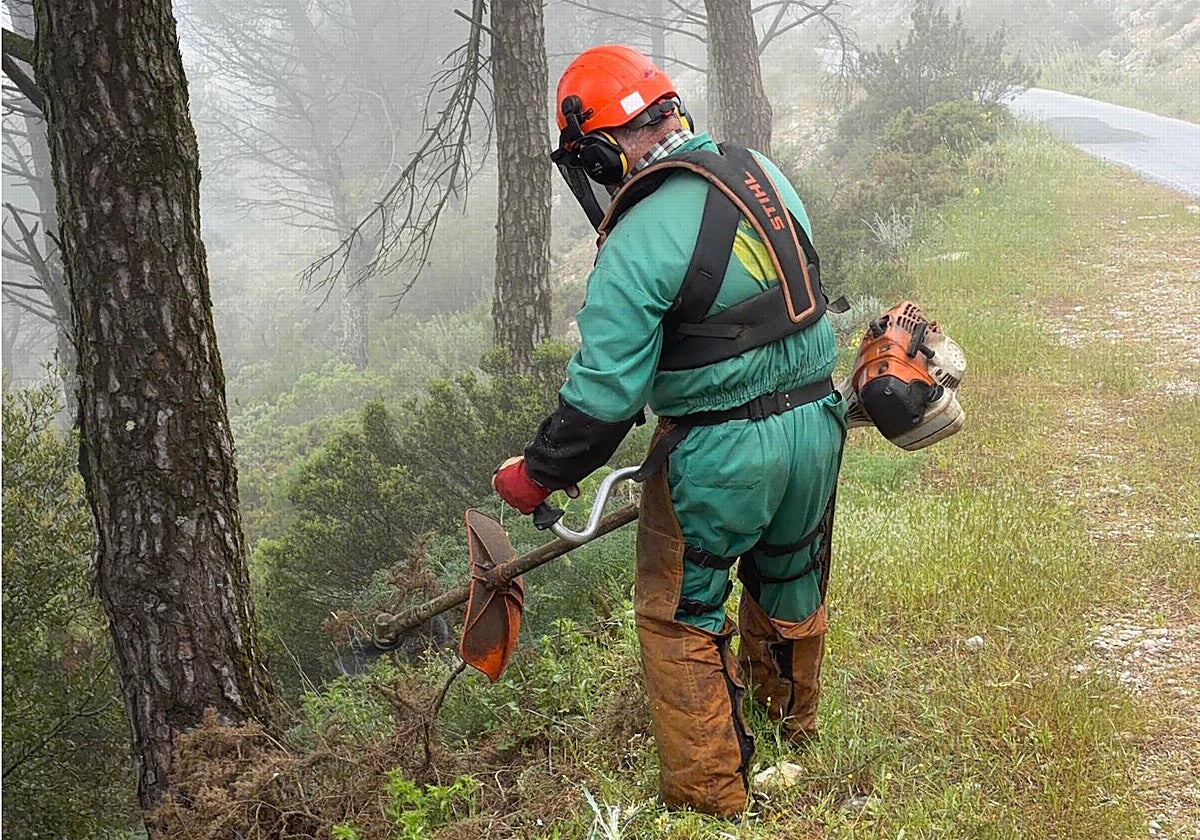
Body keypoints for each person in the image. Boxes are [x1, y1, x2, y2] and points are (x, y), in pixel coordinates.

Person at [492, 45, 846, 818]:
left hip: (720, 453)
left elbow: (602, 403)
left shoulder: (637, 234)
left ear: (599, 153)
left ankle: (711, 800)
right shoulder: (760, 171)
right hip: (818, 425)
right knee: (790, 578)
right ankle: (790, 735)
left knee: (680, 614)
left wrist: (537, 475)